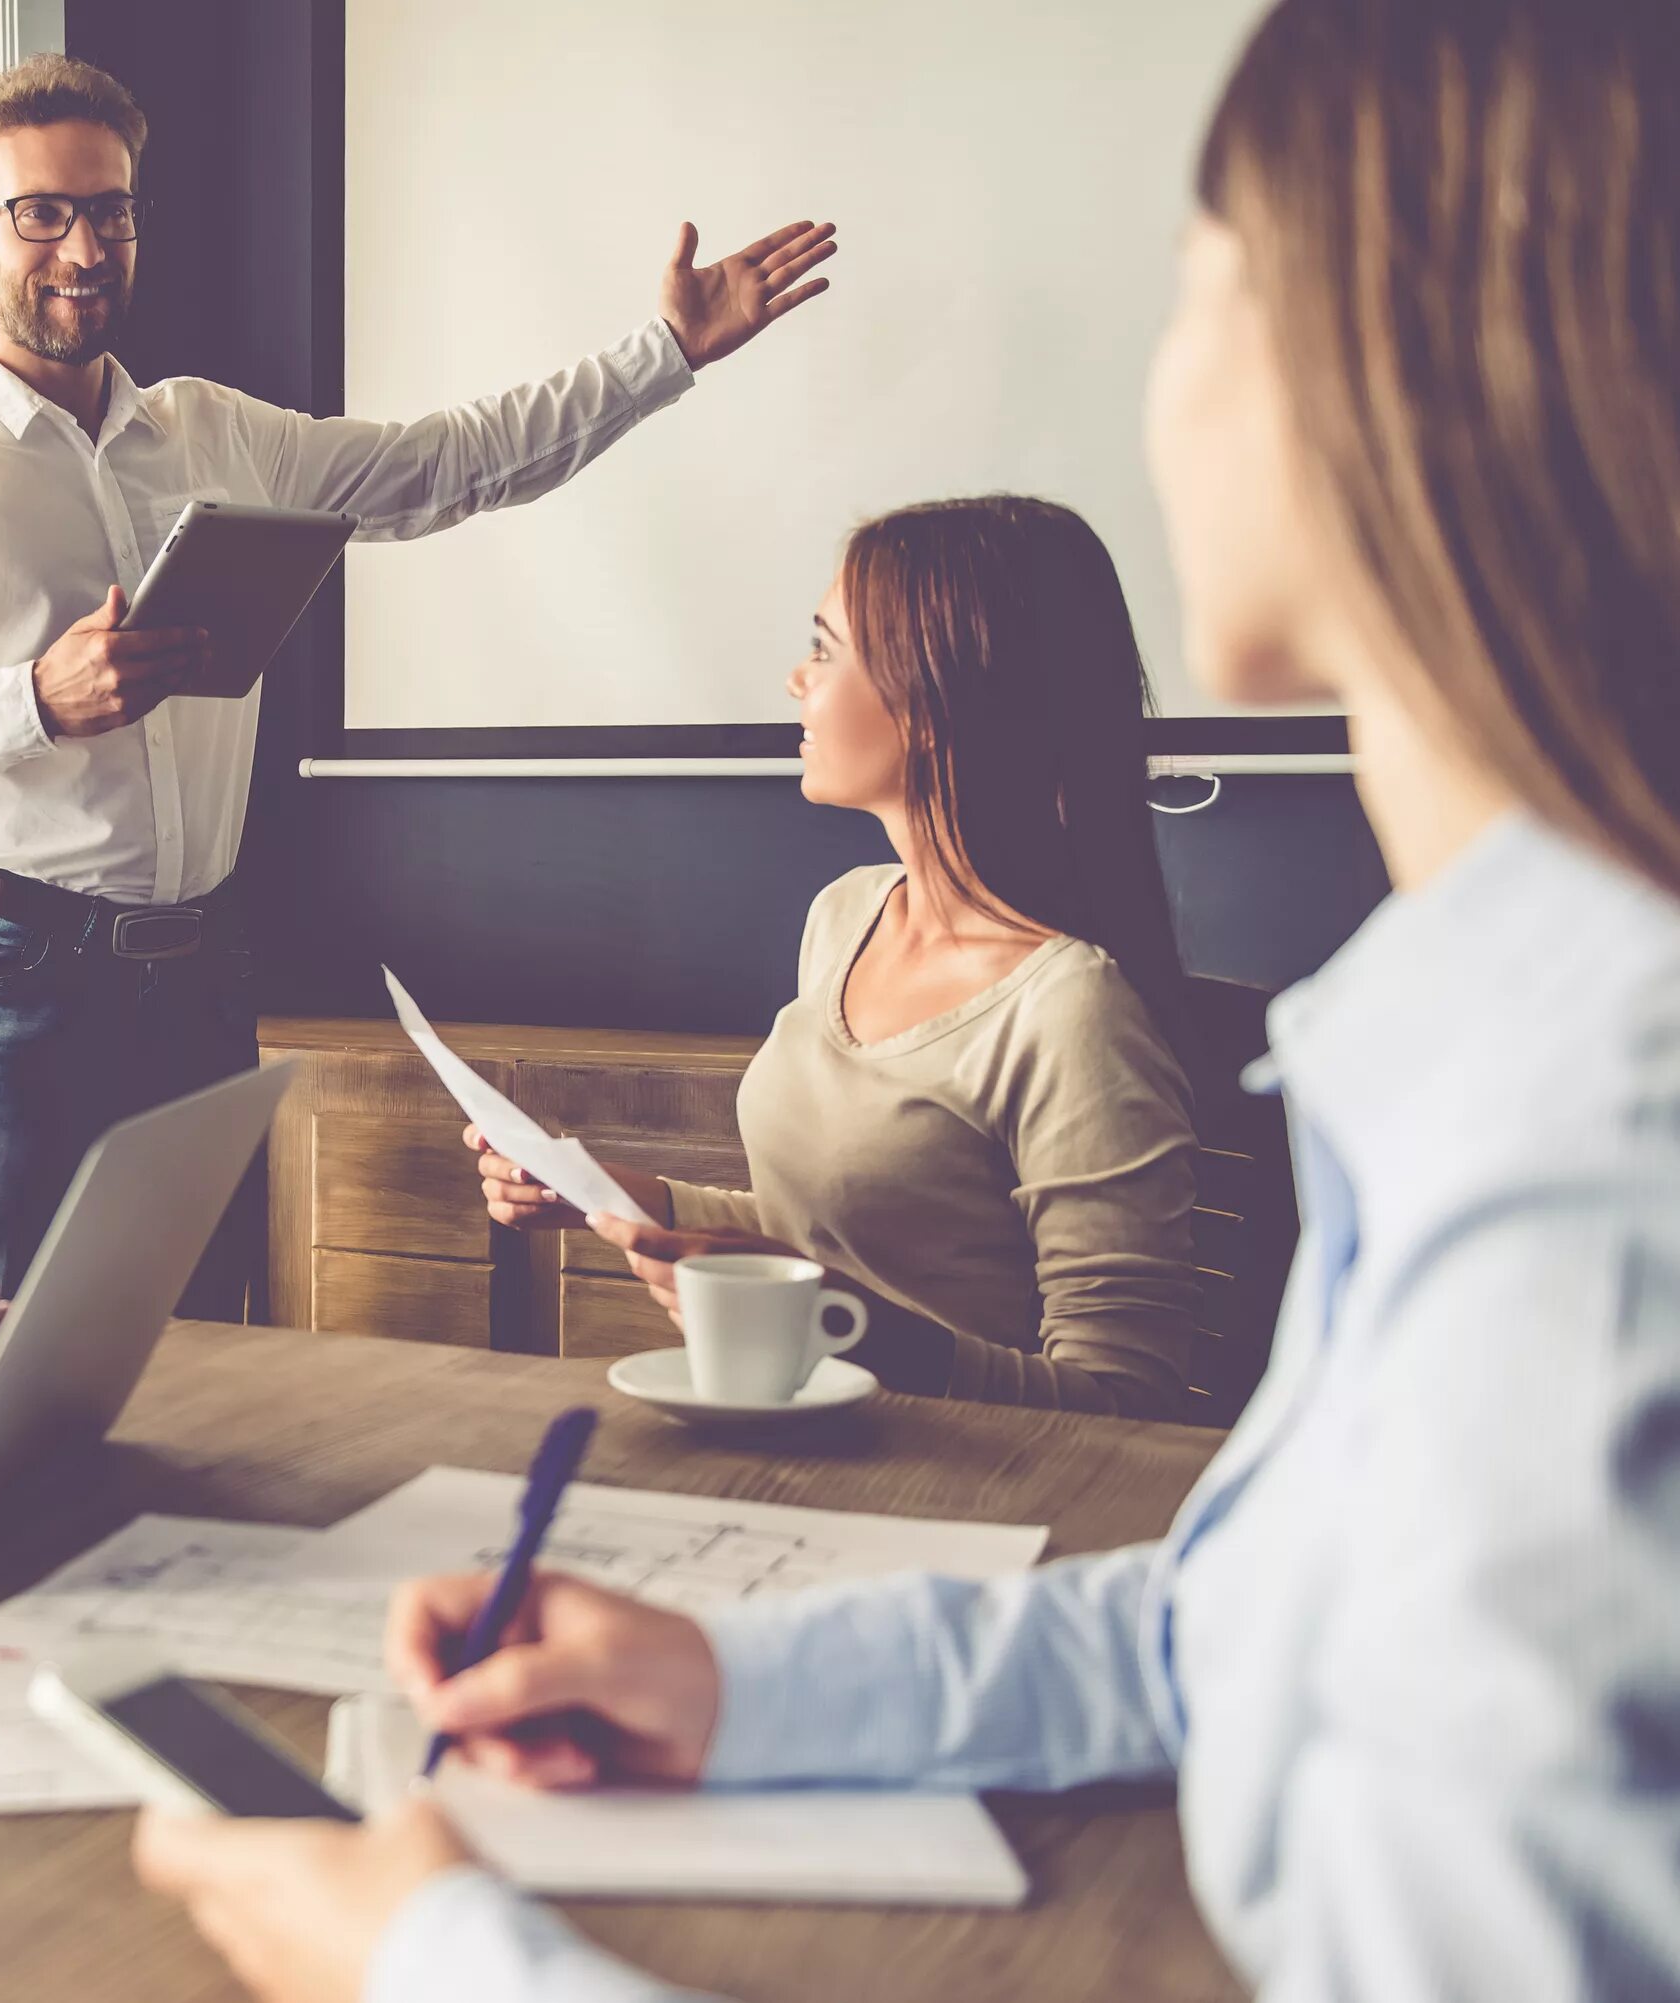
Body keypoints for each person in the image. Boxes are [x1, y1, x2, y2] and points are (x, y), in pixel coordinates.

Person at [132, 0, 1680, 1995]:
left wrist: (425, 1953)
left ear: (1392, 377)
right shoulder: (1466, 1033)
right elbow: (1215, 1618)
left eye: (1201, 283)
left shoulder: (1592, 1191)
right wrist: (724, 1677)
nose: (1158, 372)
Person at [0, 54, 837, 1317]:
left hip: (203, 972)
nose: (84, 245)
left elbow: (455, 463)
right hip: (16, 980)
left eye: (110, 209)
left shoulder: (213, 431)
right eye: (40, 212)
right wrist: (34, 700)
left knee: (215, 1353)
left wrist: (664, 352)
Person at [467, 496, 1204, 1415]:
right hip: (807, 1447)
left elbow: (1128, 1402)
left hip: (971, 1500)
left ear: (932, 701)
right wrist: (629, 1197)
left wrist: (851, 1331)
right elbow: (819, 1241)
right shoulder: (846, 914)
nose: (794, 680)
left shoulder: (1071, 1012)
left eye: (824, 649)